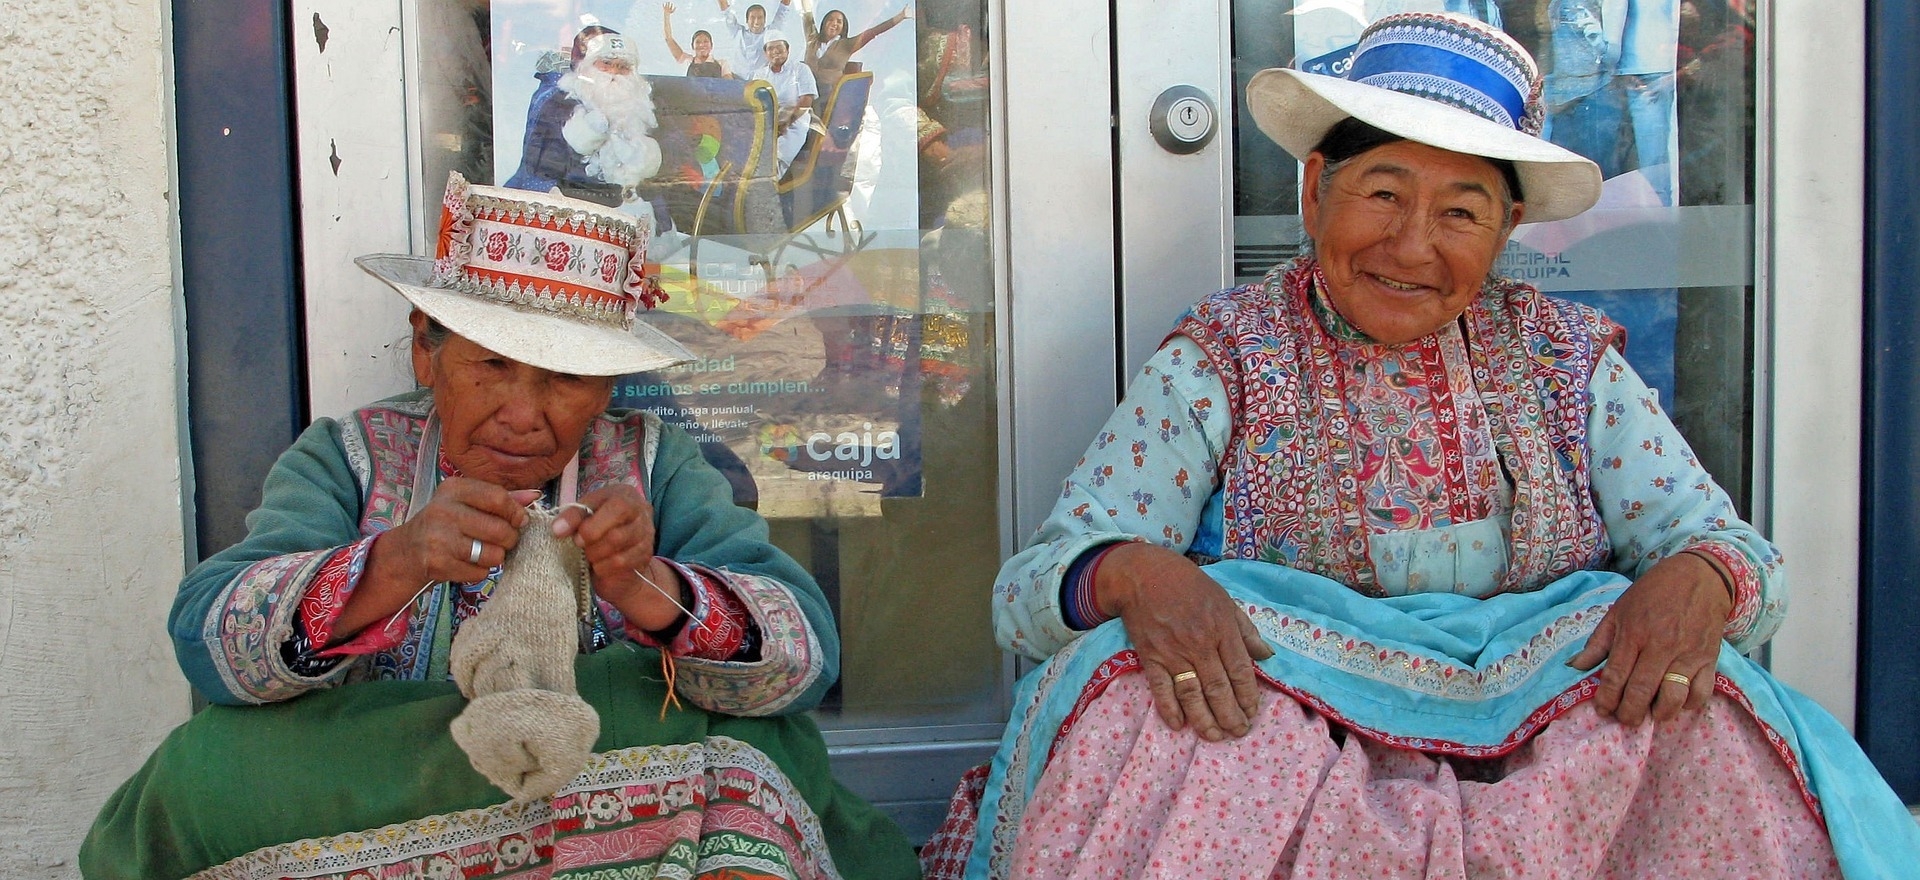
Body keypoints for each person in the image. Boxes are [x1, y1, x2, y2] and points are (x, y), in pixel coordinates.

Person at [924, 13, 1920, 880]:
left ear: (1508, 227)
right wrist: (1135, 574)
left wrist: (1698, 579)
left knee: (1703, 700)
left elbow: (1734, 554)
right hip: (1286, 741)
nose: (1412, 245)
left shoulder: (1570, 360)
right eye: (1383, 194)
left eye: (1460, 212)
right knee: (1138, 692)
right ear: (1315, 190)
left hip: (1544, 750)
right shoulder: (1226, 354)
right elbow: (1032, 592)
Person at [80, 175, 920, 880]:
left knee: (764, 743)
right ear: (426, 351)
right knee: (203, 770)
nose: (523, 413)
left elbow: (802, 657)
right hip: (393, 780)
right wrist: (397, 561)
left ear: (607, 387)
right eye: (490, 365)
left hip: (596, 768)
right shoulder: (350, 457)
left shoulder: (653, 463)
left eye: (565, 379)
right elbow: (209, 639)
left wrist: (648, 588)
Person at [503, 27, 663, 209]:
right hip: (570, 204)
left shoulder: (642, 106)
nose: (614, 73)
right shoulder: (560, 102)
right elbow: (541, 166)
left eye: (623, 67)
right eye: (606, 63)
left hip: (626, 205)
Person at [752, 28, 818, 174]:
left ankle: (769, 184)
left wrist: (785, 123)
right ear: (765, 53)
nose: (775, 51)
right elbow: (754, 102)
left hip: (794, 122)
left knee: (775, 160)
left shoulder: (801, 69)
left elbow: (806, 100)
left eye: (779, 47)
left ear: (787, 50)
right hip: (766, 123)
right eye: (770, 48)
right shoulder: (759, 74)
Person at [803, 4, 911, 93]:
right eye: (830, 20)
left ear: (843, 28)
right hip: (804, 91)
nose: (834, 23)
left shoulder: (847, 45)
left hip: (827, 94)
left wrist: (901, 16)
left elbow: (874, 31)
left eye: (839, 21)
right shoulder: (812, 39)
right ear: (824, 23)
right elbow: (807, 15)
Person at [720, 0, 795, 73]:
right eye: (752, 18)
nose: (756, 22)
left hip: (763, 79)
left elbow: (783, 10)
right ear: (747, 20)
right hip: (737, 78)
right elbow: (726, 12)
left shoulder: (771, 32)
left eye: (760, 18)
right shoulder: (738, 32)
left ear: (765, 20)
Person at [663, 3, 734, 78]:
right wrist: (666, 15)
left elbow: (729, 83)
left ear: (711, 45)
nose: (701, 45)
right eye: (698, 42)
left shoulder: (722, 64)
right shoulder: (687, 61)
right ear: (692, 46)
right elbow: (669, 39)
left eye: (705, 41)